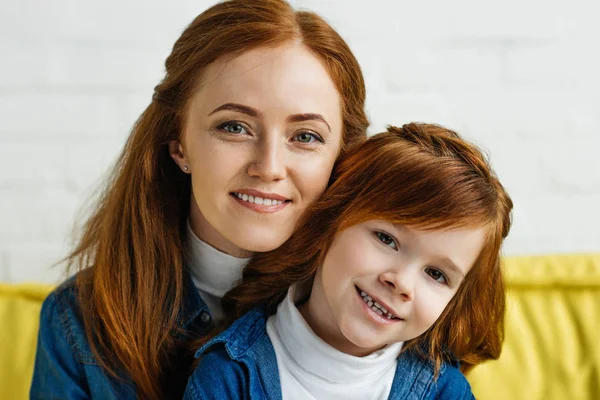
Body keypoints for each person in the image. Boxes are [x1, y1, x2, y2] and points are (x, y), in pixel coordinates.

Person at [30, 1, 368, 399]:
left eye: (306, 136)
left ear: (341, 157)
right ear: (179, 144)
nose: (269, 167)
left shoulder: (384, 307)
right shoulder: (78, 322)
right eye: (234, 127)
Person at [184, 123, 513, 400]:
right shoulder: (230, 376)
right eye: (386, 239)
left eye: (436, 274)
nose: (401, 282)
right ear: (330, 221)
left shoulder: (443, 391)